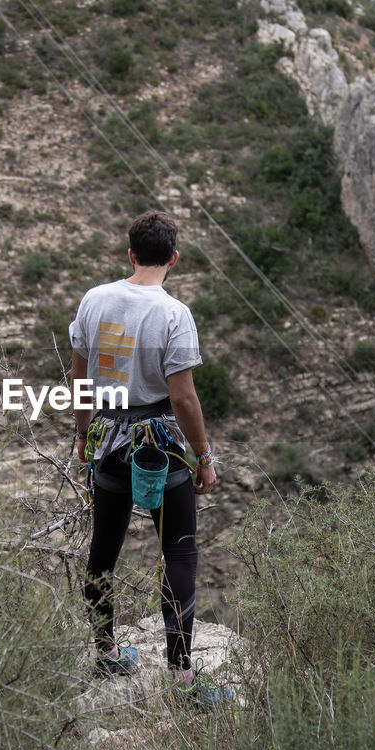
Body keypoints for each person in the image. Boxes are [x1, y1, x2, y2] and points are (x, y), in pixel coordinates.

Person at [69, 211, 224, 704]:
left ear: (130, 254)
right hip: (159, 444)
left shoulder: (94, 300)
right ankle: (181, 679)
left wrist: (83, 437)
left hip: (108, 439)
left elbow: (79, 381)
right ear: (173, 259)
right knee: (177, 552)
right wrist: (204, 456)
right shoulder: (173, 313)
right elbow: (183, 398)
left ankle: (104, 653)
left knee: (104, 551)